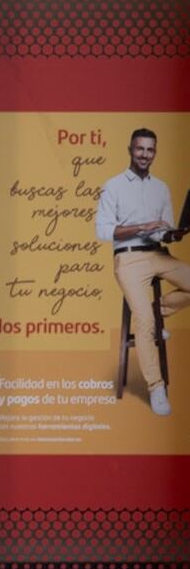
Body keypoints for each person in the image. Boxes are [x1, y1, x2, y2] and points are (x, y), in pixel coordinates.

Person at [97, 128, 187, 416]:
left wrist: (174, 234)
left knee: (149, 316)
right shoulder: (113, 186)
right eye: (140, 149)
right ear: (130, 150)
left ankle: (155, 313)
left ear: (155, 153)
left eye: (150, 150)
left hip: (158, 254)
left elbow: (164, 229)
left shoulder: (161, 188)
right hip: (129, 259)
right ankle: (156, 387)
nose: (145, 155)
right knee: (145, 323)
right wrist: (141, 227)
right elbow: (103, 230)